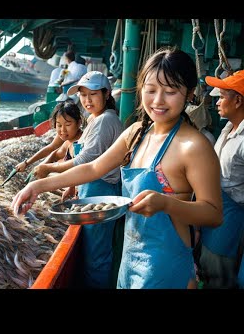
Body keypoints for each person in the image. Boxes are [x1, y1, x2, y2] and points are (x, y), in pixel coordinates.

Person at [12, 47, 223, 289]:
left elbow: (213, 214)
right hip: (130, 259)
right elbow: (93, 168)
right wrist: (38, 185)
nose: (157, 101)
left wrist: (166, 203)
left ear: (190, 94)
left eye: (170, 92)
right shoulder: (136, 133)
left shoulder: (194, 146)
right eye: (151, 90)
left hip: (167, 267)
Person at [32, 71, 124, 289]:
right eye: (83, 95)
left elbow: (85, 160)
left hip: (102, 190)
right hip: (91, 187)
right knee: (92, 249)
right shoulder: (94, 119)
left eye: (93, 94)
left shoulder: (105, 120)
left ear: (107, 93)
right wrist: (73, 184)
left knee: (97, 256)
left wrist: (48, 168)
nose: (87, 100)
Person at [194, 70, 244, 288]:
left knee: (220, 273)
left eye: (222, 97)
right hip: (215, 210)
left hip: (232, 217)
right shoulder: (227, 128)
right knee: (206, 266)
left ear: (238, 100)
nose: (216, 102)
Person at [15, 100, 82, 174]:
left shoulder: (80, 143)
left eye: (68, 125)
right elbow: (52, 149)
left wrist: (46, 168)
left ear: (79, 123)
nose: (63, 130)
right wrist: (27, 163)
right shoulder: (67, 138)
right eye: (59, 125)